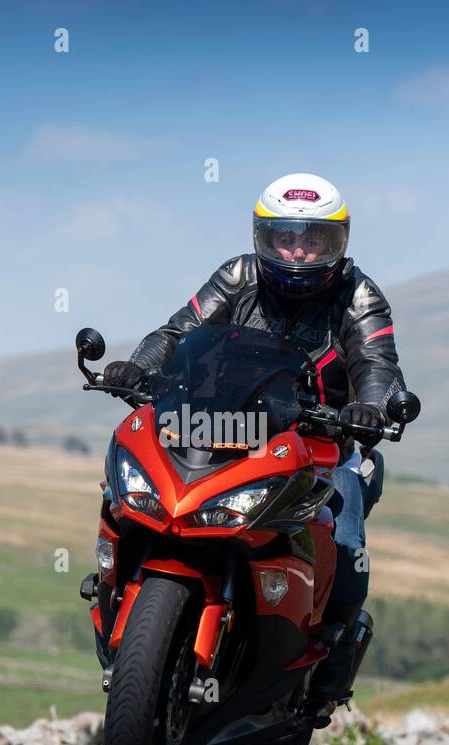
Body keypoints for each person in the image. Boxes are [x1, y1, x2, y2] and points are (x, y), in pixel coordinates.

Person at [103, 173, 409, 704]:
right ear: (262, 237)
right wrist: (137, 366)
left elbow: (378, 364)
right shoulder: (238, 275)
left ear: (338, 242)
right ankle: (115, 594)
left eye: (314, 240)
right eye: (285, 237)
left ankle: (328, 666)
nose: (297, 252)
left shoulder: (359, 294)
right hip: (227, 427)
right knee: (129, 491)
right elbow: (179, 332)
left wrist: (371, 408)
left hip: (321, 439)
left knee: (345, 537)